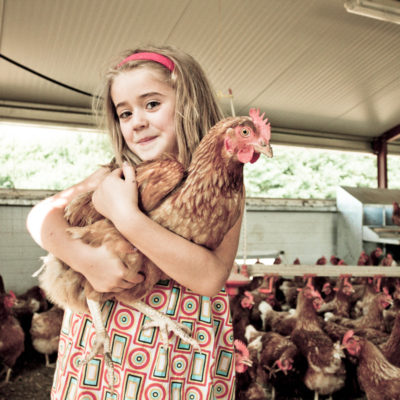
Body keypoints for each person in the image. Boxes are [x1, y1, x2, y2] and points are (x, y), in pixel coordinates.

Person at [26, 45, 243, 399]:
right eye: (124, 113)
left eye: (152, 104)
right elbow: (39, 216)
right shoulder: (116, 175)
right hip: (104, 344)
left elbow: (210, 277)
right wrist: (85, 259)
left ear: (190, 103)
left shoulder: (224, 186)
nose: (137, 121)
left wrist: (126, 216)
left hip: (180, 350)